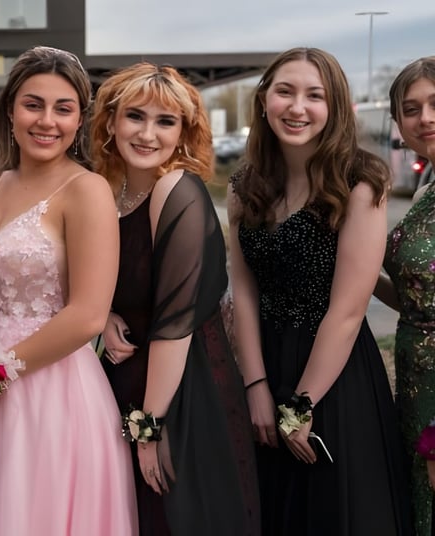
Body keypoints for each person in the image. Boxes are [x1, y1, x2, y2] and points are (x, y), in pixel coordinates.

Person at [227, 46, 412, 535]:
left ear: (334, 108)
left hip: (334, 372)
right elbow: (243, 291)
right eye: (285, 91)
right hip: (264, 361)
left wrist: (300, 404)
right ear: (264, 97)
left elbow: (349, 310)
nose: (297, 107)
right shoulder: (245, 185)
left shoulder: (361, 182)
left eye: (316, 96)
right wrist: (256, 386)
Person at [0, 45, 137, 536]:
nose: (47, 121)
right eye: (33, 104)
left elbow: (87, 315)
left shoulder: (87, 191)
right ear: (11, 111)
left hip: (46, 387)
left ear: (80, 120)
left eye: (64, 109)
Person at [90, 62, 260, 535]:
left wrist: (149, 429)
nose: (148, 134)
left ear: (184, 132)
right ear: (110, 121)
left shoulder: (177, 190)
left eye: (165, 121)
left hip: (185, 387)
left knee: (176, 515)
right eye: (135, 116)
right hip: (126, 380)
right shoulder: (107, 191)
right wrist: (102, 313)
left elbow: (175, 322)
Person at [376, 56, 435, 536]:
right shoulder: (425, 190)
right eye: (411, 108)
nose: (425, 118)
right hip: (417, 391)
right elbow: (416, 300)